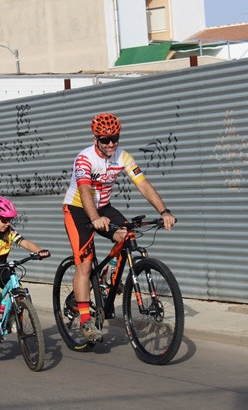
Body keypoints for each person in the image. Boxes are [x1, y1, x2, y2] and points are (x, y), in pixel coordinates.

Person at [63, 113, 176, 342]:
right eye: (105, 139)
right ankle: (86, 320)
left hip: (104, 207)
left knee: (127, 234)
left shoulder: (123, 157)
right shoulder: (84, 159)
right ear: (96, 138)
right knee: (84, 264)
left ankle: (106, 276)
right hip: (77, 210)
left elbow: (142, 184)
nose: (111, 143)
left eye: (115, 138)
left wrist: (163, 211)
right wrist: (94, 218)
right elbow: (85, 190)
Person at [0, 196, 50, 341]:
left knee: (19, 292)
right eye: (4, 220)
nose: (7, 224)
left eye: (9, 220)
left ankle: (13, 319)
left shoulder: (9, 233)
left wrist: (39, 251)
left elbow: (25, 242)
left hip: (2, 268)